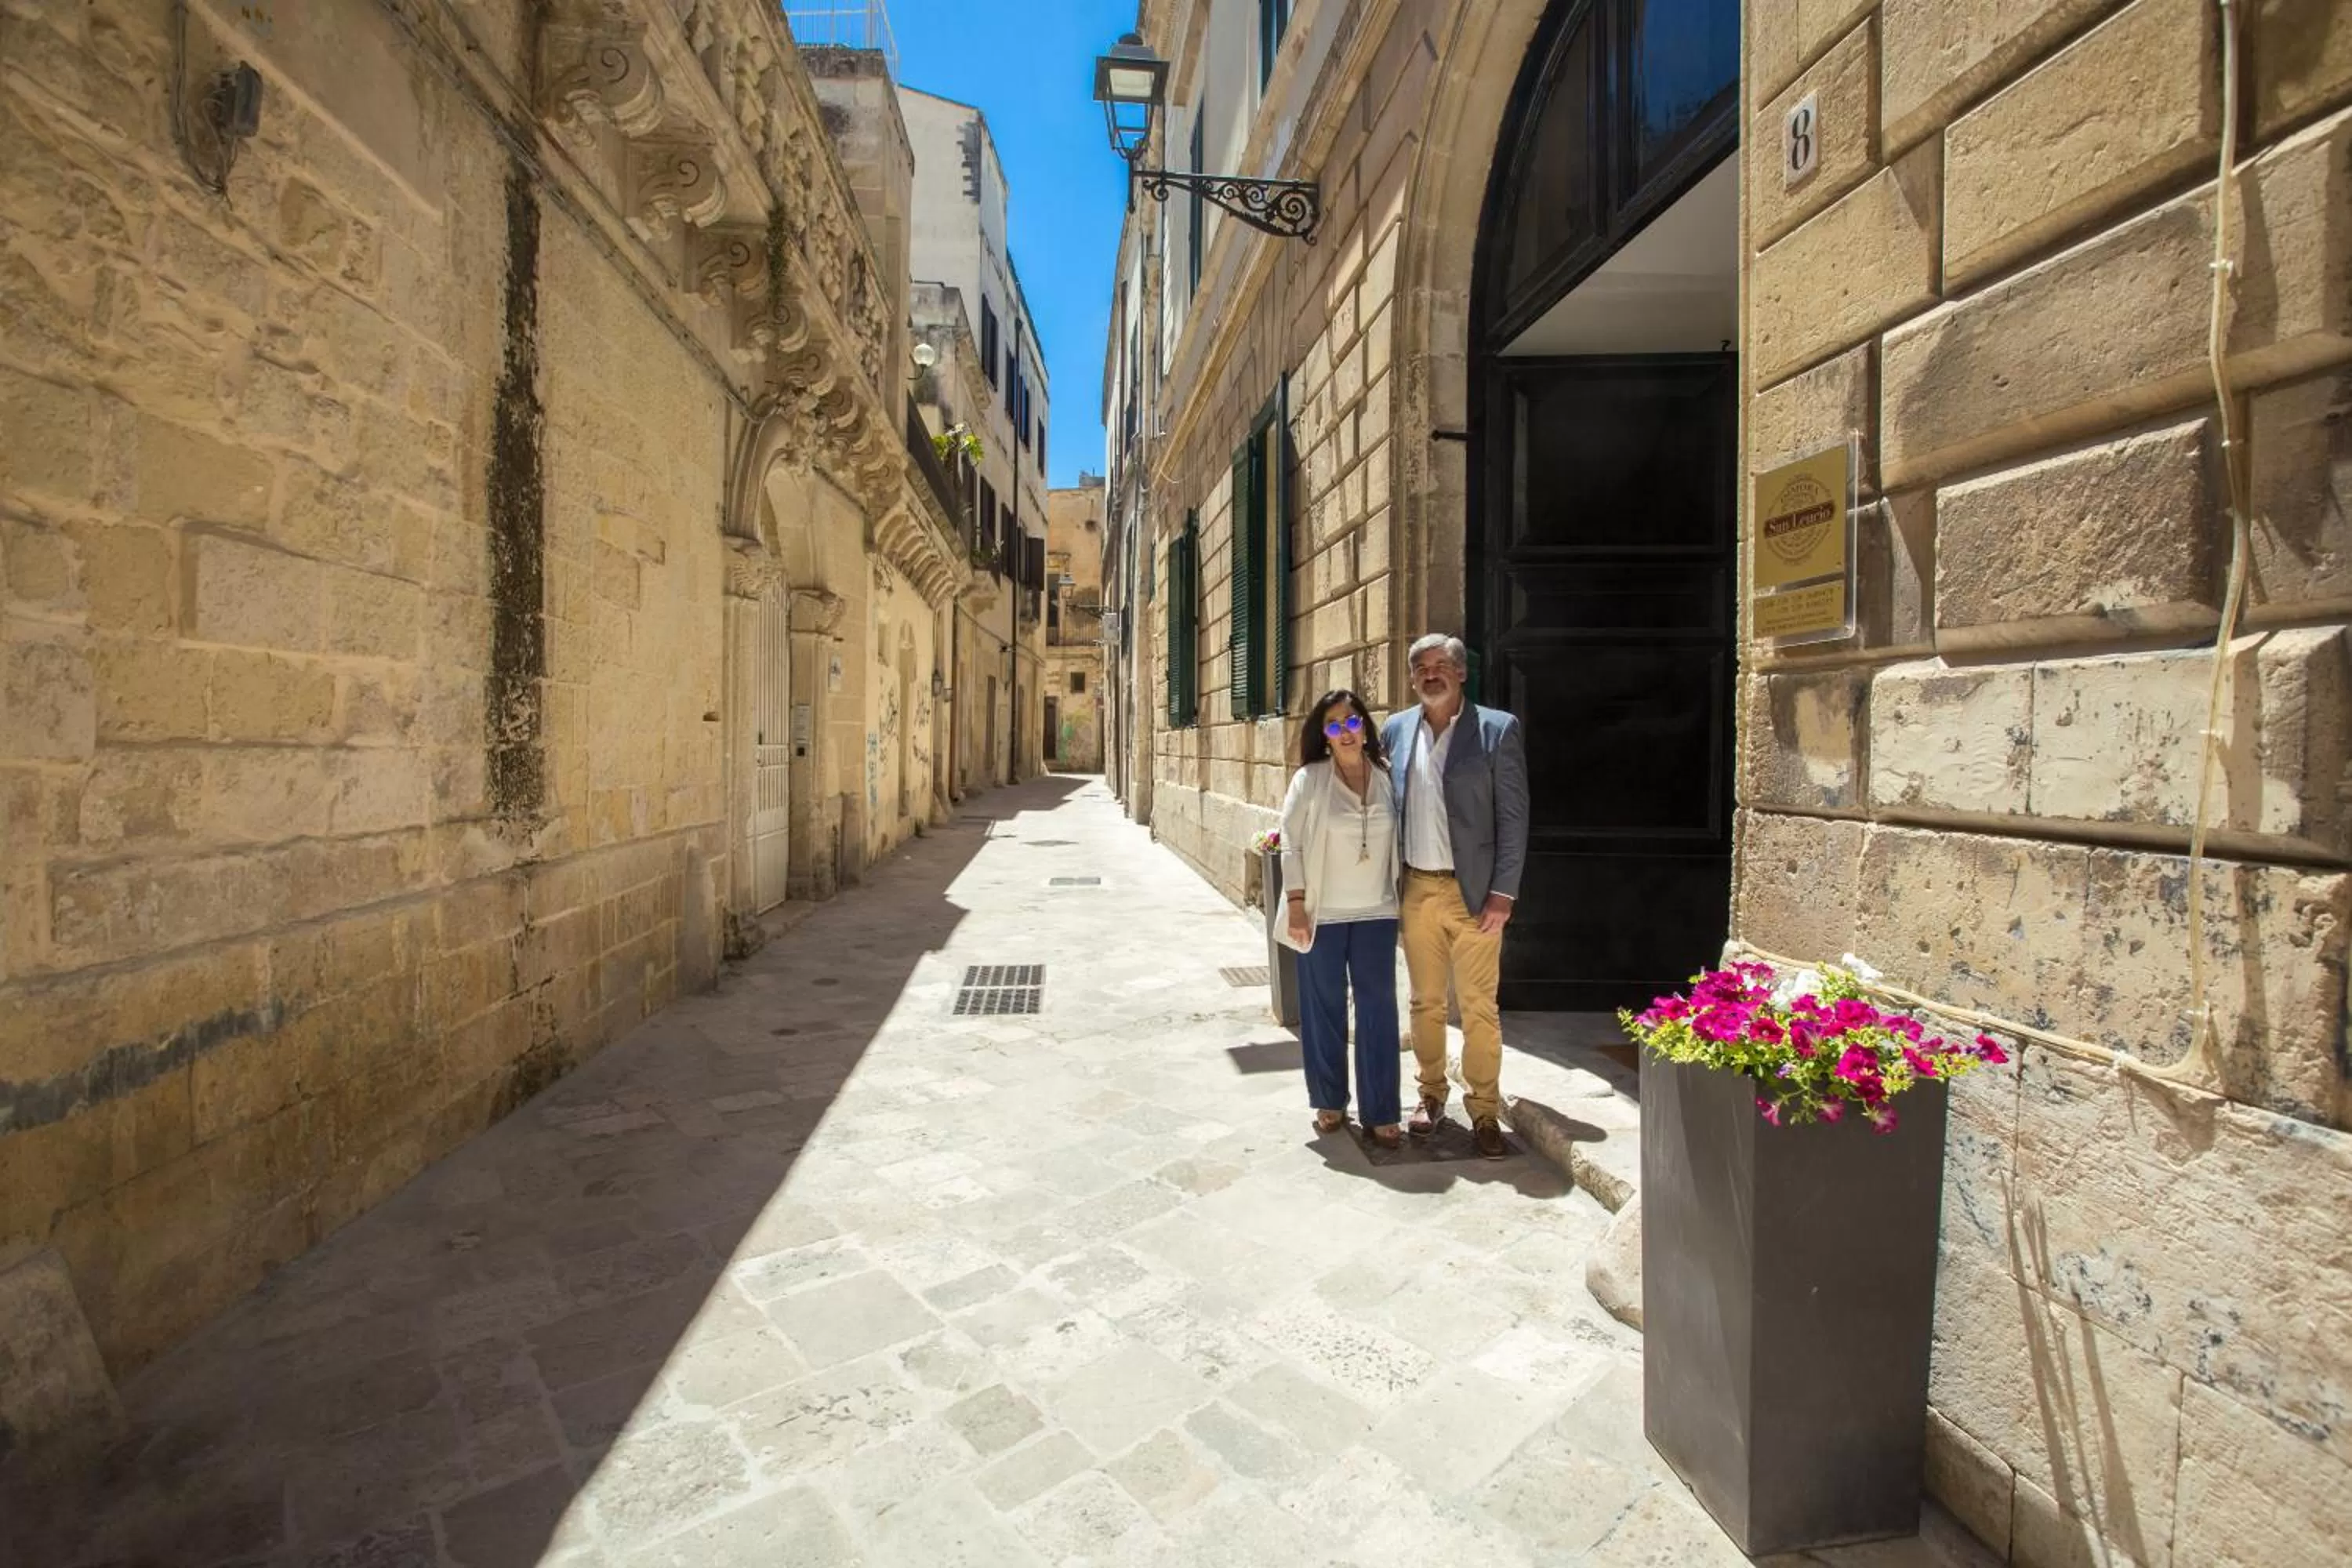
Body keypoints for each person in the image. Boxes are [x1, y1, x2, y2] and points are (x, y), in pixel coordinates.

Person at [1381, 633, 1530, 1159]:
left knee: (1478, 1008)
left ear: (1462, 673)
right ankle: (1429, 1096)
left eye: (1442, 665)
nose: (1431, 673)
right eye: (1421, 666)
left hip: (1474, 895)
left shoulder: (1496, 729)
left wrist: (1503, 894)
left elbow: (1513, 820)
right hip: (1416, 888)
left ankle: (1485, 1110)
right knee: (1424, 1002)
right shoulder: (1396, 730)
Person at [1278, 689, 1404, 1147]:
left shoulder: (1388, 778)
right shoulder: (1310, 780)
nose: (1345, 731)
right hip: (1323, 913)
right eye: (1334, 726)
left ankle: (1382, 1110)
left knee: (1378, 1011)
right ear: (1324, 737)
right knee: (1324, 1010)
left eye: (1352, 722)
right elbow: (1289, 841)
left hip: (1378, 910)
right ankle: (1330, 1100)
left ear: (1365, 727)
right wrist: (1296, 903)